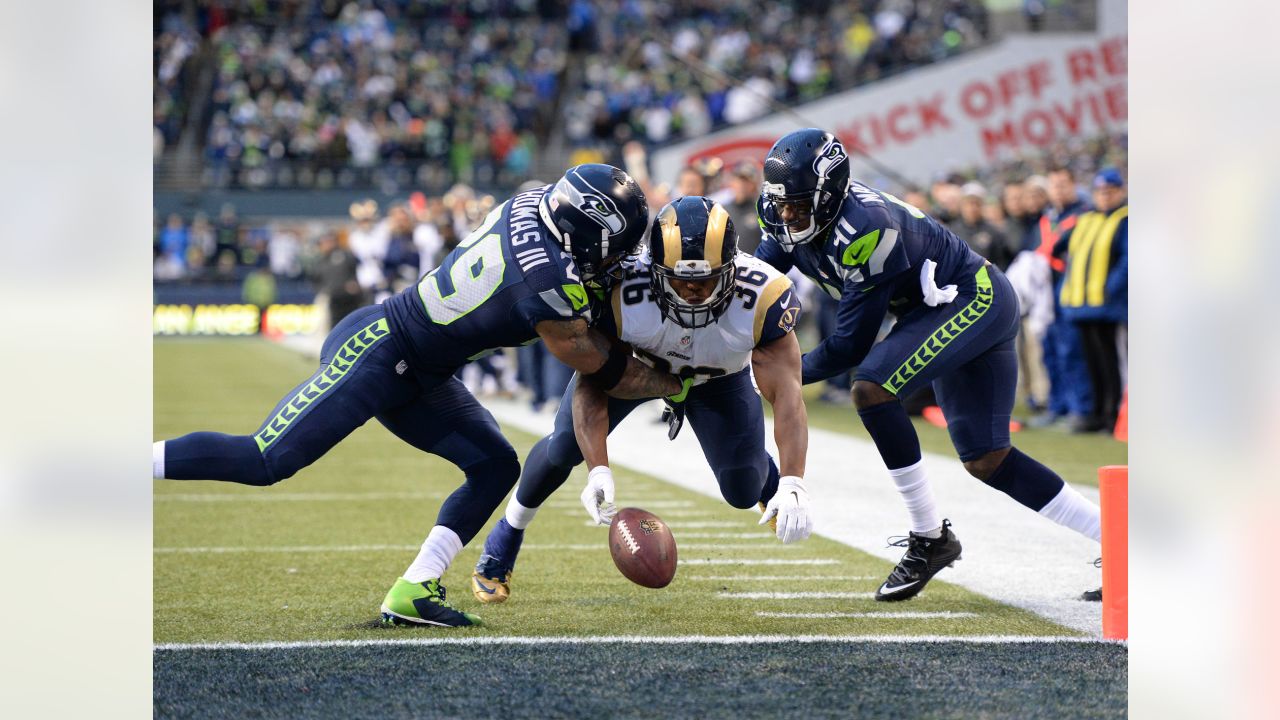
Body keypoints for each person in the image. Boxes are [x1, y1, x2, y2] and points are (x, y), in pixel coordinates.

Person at [152, 165, 685, 628]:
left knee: (497, 465)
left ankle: (415, 590)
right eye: (616, 245)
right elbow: (604, 368)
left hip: (424, 370)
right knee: (267, 458)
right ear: (584, 233)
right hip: (379, 350)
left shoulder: (533, 203)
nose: (619, 258)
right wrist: (678, 378)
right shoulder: (544, 281)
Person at [754, 129, 1101, 601]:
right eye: (782, 203)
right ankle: (1120, 539)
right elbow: (756, 288)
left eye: (798, 203)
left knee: (870, 385)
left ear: (829, 191)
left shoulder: (865, 227)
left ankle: (929, 536)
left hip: (974, 298)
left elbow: (849, 346)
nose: (787, 214)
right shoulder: (783, 215)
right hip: (936, 309)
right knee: (987, 459)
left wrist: (768, 378)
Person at [471, 196, 812, 604]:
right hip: (638, 371)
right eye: (681, 280)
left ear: (732, 269)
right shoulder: (621, 290)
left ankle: (770, 481)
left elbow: (788, 394)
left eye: (706, 280)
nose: (692, 291)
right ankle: (506, 535)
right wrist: (598, 469)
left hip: (718, 380)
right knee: (564, 446)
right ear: (653, 270)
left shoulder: (763, 297)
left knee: (742, 489)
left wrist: (794, 482)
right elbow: (593, 381)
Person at [1057, 168, 1128, 432]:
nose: (1105, 197)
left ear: (1121, 192)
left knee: (1112, 363)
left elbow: (1128, 259)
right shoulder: (1086, 219)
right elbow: (1059, 246)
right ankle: (1096, 413)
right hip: (1081, 304)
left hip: (1108, 305)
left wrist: (1111, 287)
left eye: (1110, 192)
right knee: (1091, 363)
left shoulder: (1125, 219)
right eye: (1100, 192)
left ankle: (1114, 416)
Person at [724, 160, 765, 254]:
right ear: (731, 183)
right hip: (729, 267)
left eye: (747, 182)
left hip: (755, 266)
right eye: (738, 180)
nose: (741, 186)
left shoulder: (762, 211)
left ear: (755, 184)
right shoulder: (721, 211)